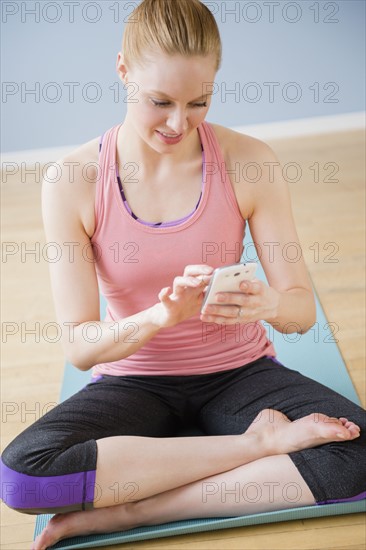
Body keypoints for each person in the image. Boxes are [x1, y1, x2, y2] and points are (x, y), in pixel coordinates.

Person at [1, 1, 365, 549]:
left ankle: (134, 512)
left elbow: (299, 310)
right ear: (122, 70)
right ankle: (257, 445)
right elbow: (79, 347)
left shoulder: (250, 161)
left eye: (199, 101)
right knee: (24, 473)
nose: (179, 122)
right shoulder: (73, 179)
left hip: (239, 374)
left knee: (359, 449)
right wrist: (160, 316)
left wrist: (266, 303)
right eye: (160, 102)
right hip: (135, 383)